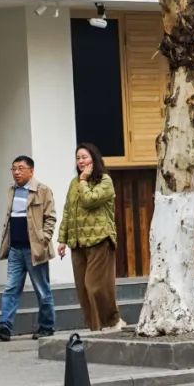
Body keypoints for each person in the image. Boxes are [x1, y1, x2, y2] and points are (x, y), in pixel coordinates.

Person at [0, 155, 57, 341]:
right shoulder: (12, 190)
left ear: (31, 171)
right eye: (14, 169)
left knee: (42, 290)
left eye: (21, 168)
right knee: (11, 288)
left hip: (35, 249)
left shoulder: (43, 190)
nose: (16, 172)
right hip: (15, 249)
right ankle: (5, 326)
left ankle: (47, 326)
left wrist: (44, 239)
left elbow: (50, 217)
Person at [57, 142, 123, 332]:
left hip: (100, 239)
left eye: (84, 157)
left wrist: (84, 180)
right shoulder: (74, 183)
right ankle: (95, 328)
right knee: (83, 289)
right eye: (78, 158)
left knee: (94, 285)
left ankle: (112, 320)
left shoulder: (105, 181)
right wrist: (62, 239)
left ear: (94, 159)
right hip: (77, 242)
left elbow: (89, 200)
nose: (81, 161)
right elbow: (68, 211)